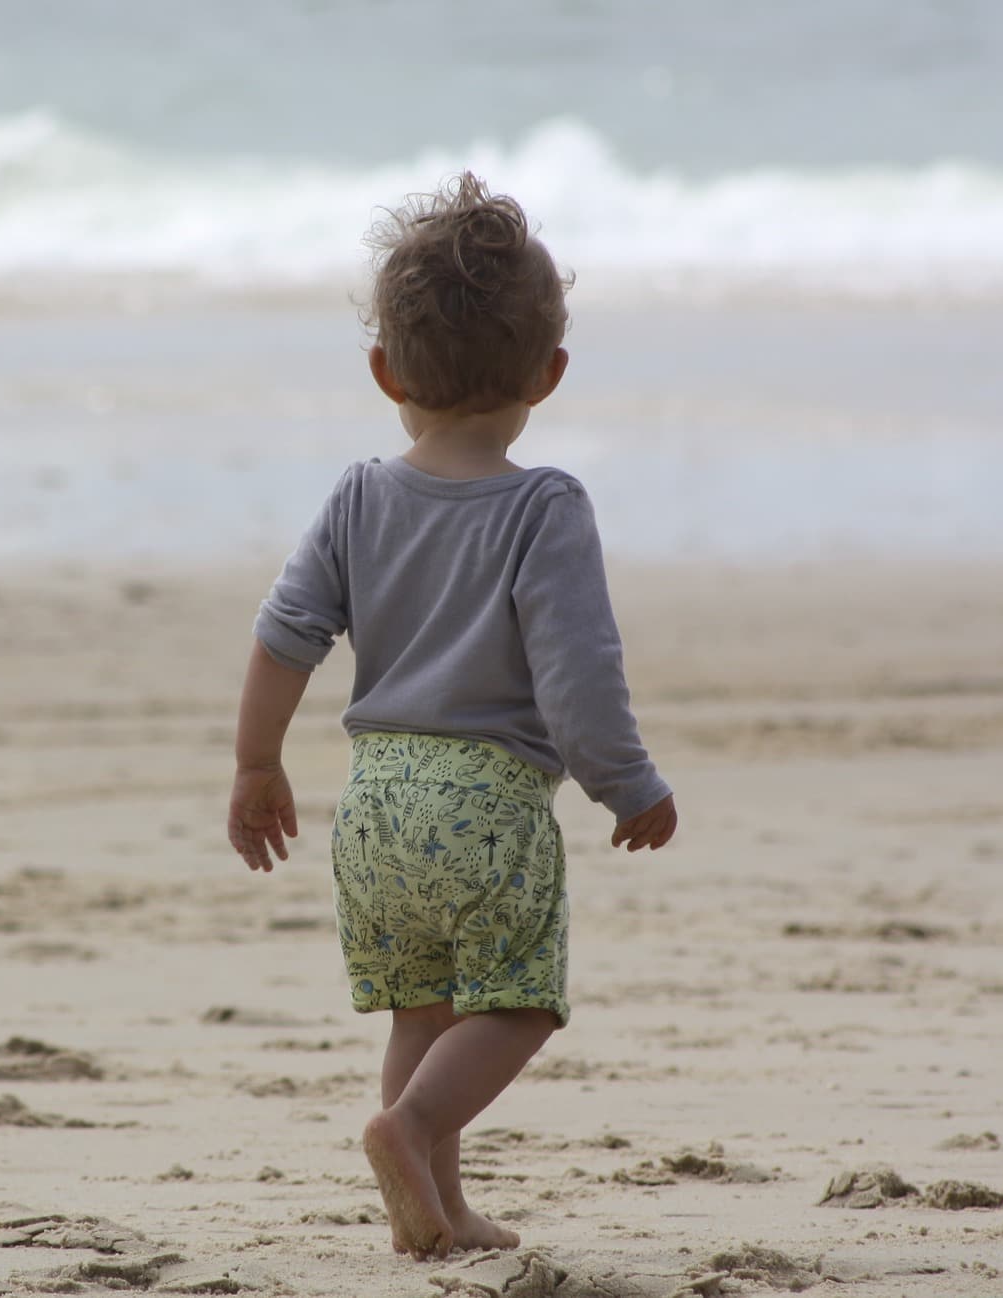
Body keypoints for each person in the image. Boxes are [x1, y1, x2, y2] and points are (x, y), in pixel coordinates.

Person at [225, 173, 678, 1261]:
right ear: (549, 374)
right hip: (486, 800)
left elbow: (286, 632)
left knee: (421, 1009)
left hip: (375, 797)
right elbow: (579, 676)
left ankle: (436, 1206)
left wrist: (255, 763)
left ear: (384, 370)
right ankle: (414, 1128)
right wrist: (627, 781)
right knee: (519, 1002)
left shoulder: (356, 496)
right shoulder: (544, 506)